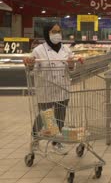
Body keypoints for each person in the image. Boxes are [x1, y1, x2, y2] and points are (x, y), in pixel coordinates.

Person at [24, 23, 75, 154]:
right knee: (45, 116)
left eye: (59, 31)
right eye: (54, 31)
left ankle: (56, 142)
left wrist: (71, 65)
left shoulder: (66, 49)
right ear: (47, 33)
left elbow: (72, 70)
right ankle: (35, 139)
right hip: (46, 89)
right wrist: (29, 63)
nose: (57, 34)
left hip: (62, 88)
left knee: (60, 117)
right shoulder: (39, 50)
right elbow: (31, 69)